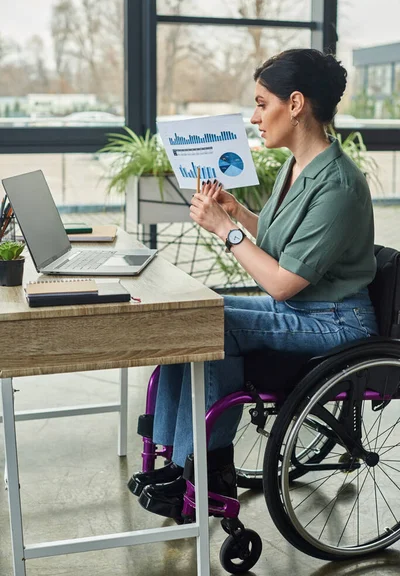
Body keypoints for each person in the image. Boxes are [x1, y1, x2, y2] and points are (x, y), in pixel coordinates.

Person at [128, 48, 379, 521]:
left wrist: (226, 229)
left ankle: (198, 470)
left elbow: (283, 283)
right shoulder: (297, 166)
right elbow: (284, 241)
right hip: (306, 310)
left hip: (335, 322)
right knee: (190, 313)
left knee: (213, 327)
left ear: (297, 104)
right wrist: (238, 212)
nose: (255, 116)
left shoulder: (340, 186)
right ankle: (174, 455)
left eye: (263, 103)